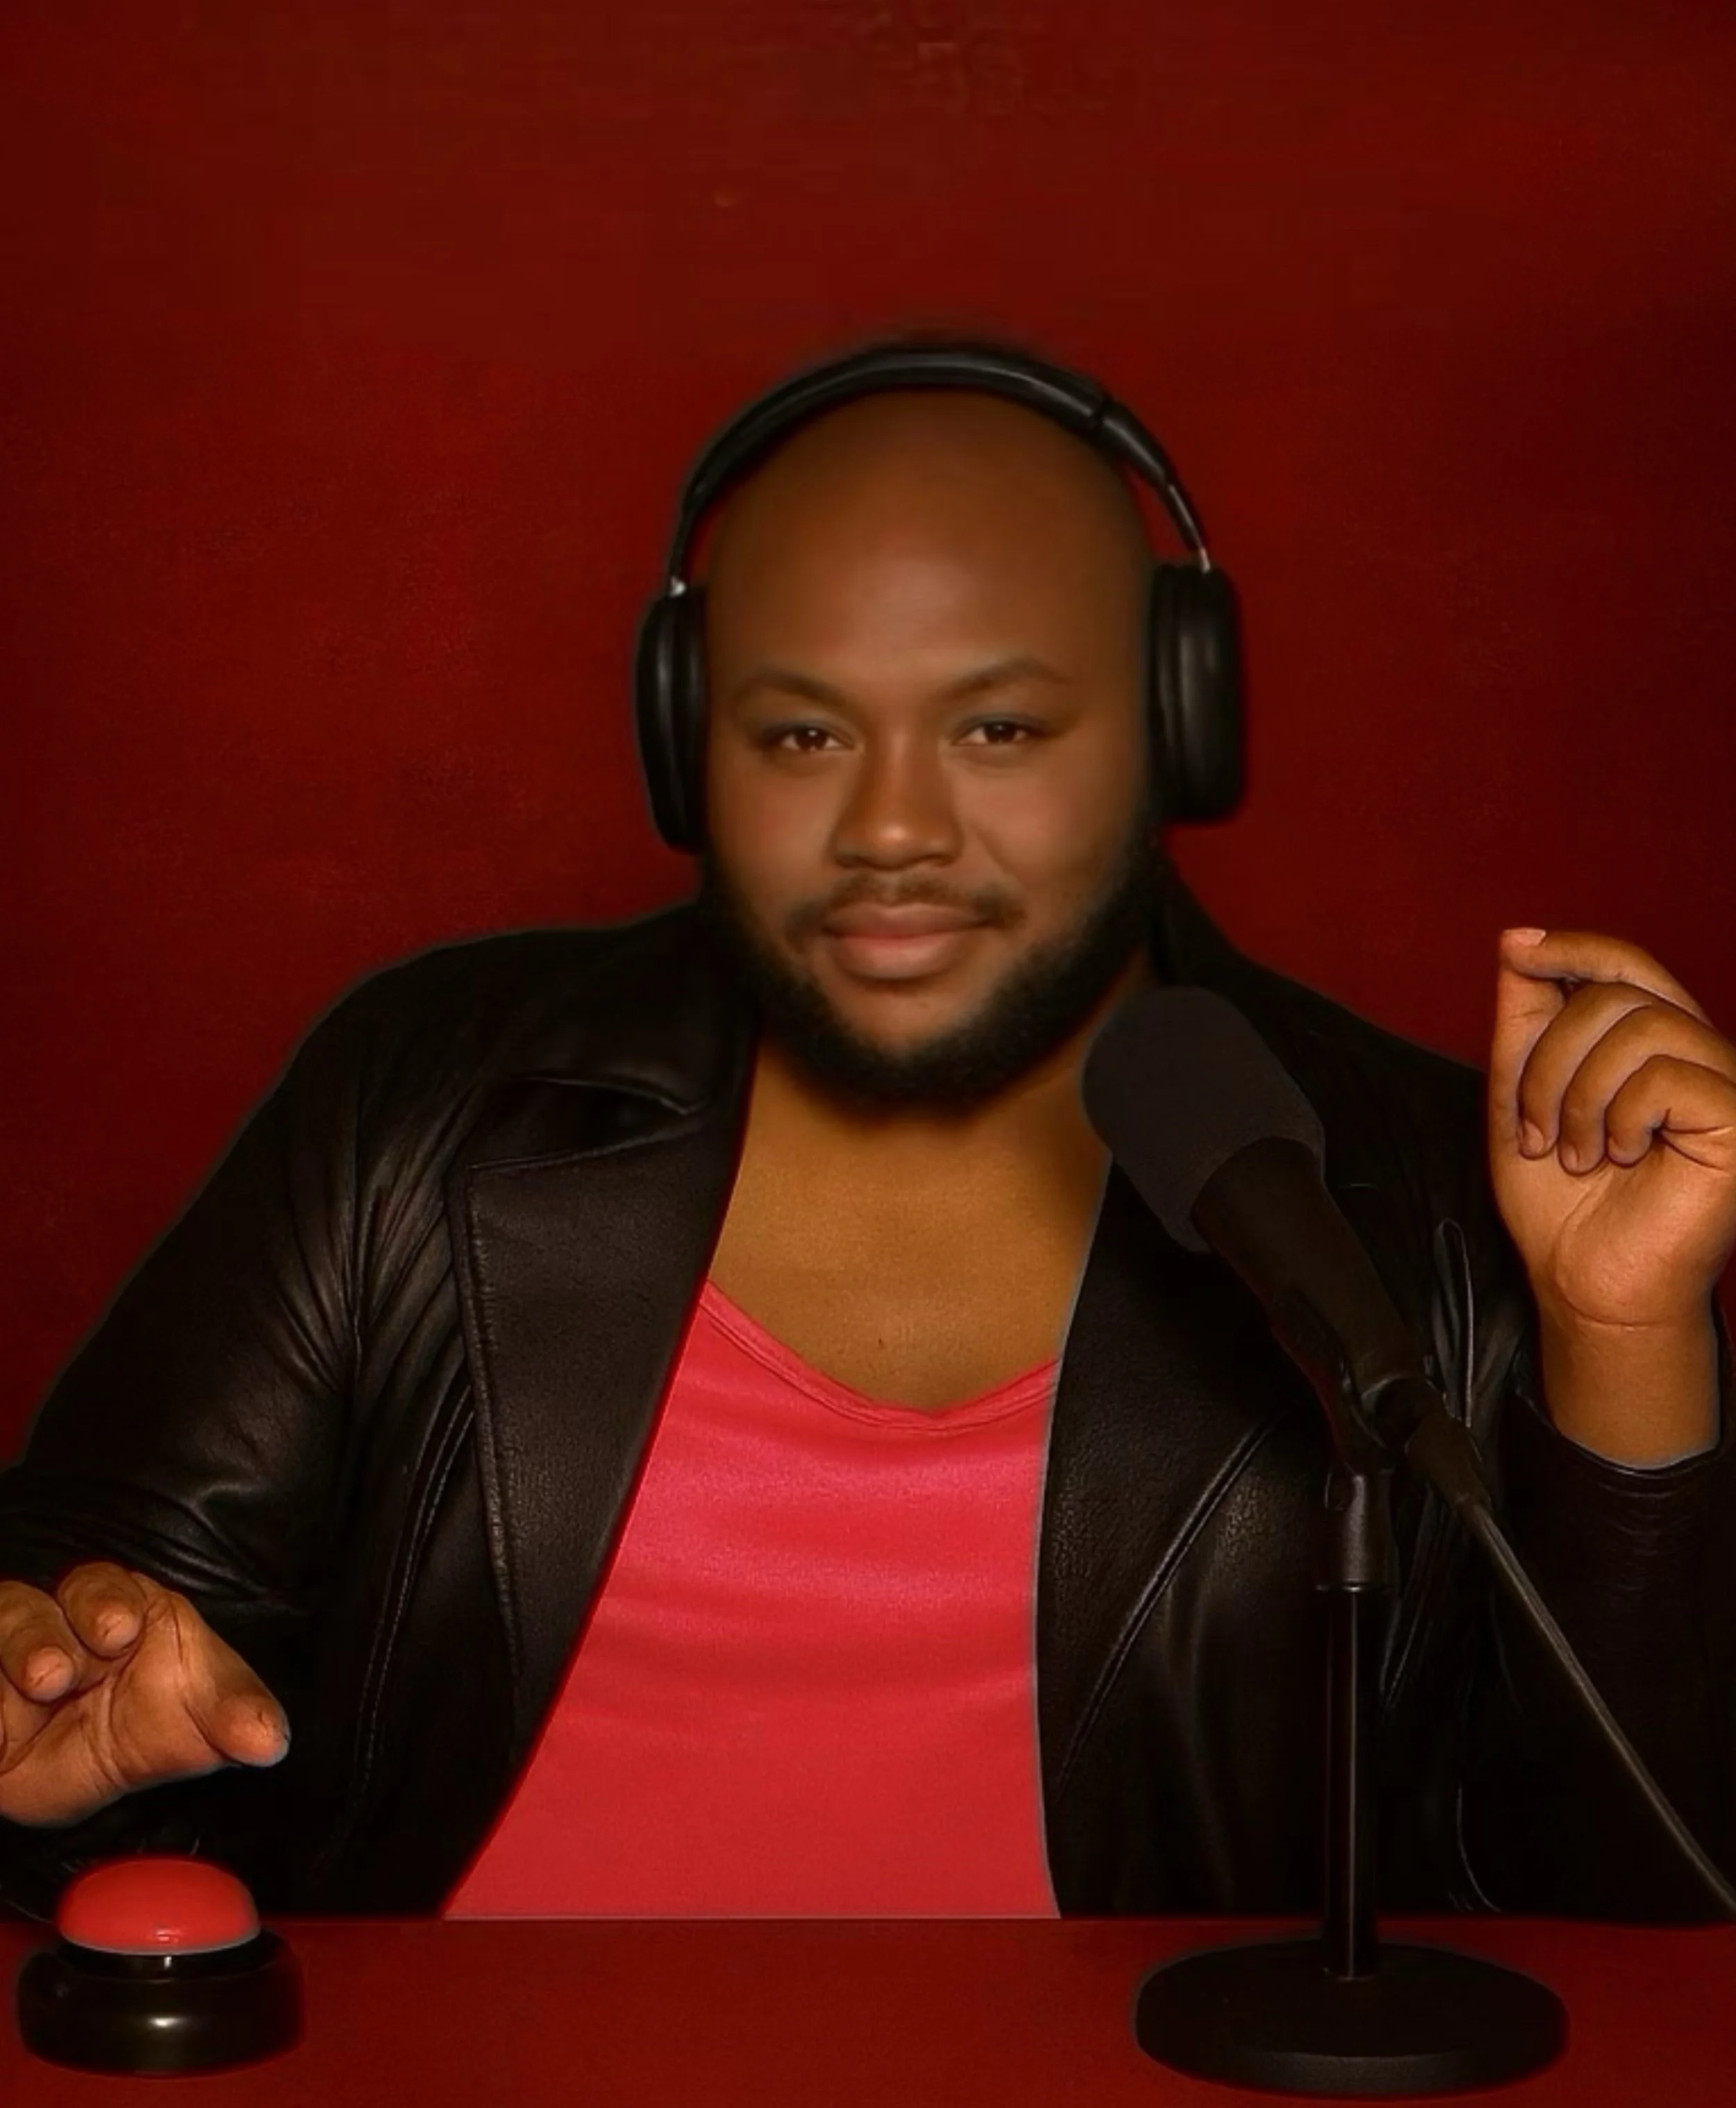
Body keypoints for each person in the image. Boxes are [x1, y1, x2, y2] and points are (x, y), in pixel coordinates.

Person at [1, 340, 1733, 1925]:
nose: (889, 826)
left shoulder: (1417, 1188)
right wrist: (51, 1713)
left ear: (1176, 730)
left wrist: (1621, 1351)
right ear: (686, 746)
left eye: (996, 725)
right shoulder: (427, 1099)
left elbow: (1625, 1926)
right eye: (803, 730)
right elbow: (85, 1647)